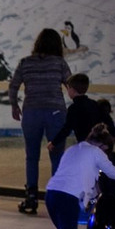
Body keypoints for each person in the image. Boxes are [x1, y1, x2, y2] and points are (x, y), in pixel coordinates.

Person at [8, 28, 72, 215]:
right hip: (55, 112)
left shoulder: (25, 63)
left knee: (32, 156)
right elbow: (70, 84)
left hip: (32, 112)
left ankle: (31, 198)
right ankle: (57, 198)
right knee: (57, 155)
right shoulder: (59, 63)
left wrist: (14, 106)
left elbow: (13, 86)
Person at [51, 73, 115, 148]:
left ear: (72, 90)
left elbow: (66, 129)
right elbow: (108, 120)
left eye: (68, 88)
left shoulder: (73, 108)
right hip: (98, 144)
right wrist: (114, 134)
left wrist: (54, 143)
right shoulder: (95, 104)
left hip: (84, 144)